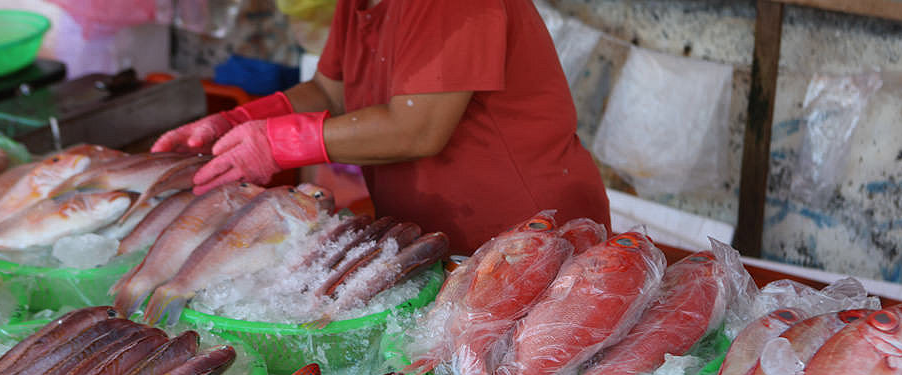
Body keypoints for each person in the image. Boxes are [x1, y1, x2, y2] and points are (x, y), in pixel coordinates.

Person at [151, 0, 611, 255]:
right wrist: (240, 120)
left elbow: (418, 128)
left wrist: (279, 144)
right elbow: (332, 92)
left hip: (527, 232)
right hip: (439, 234)